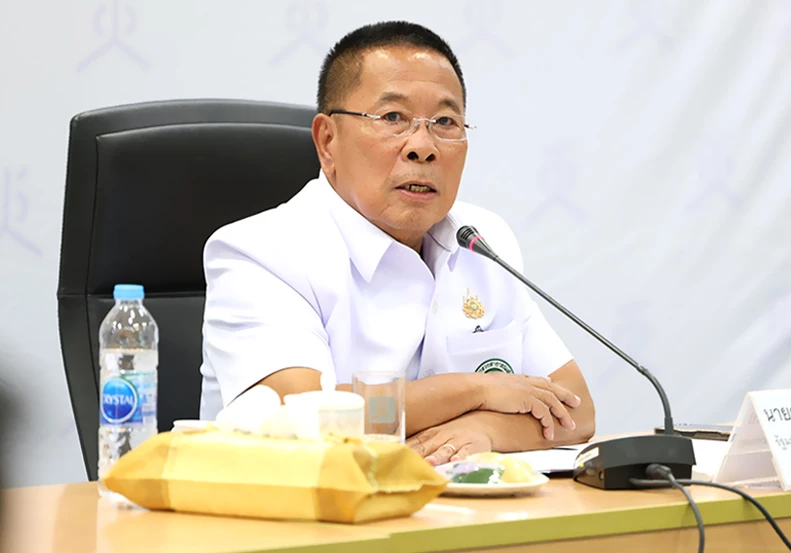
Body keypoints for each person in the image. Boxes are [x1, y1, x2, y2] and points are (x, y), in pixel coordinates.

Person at [198, 21, 595, 465]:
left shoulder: (481, 240)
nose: (422, 147)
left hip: (456, 505)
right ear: (327, 141)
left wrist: (484, 429)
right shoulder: (259, 252)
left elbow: (577, 409)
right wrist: (477, 390)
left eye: (445, 122)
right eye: (393, 118)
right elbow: (303, 418)